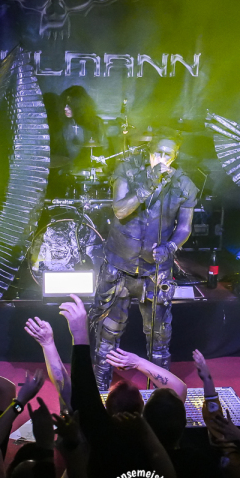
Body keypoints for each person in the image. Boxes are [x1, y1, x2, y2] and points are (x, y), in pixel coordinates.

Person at [91, 132, 197, 388]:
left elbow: (185, 227)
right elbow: (120, 210)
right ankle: (100, 388)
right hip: (119, 266)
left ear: (175, 157)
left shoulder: (184, 185)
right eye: (158, 152)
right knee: (108, 333)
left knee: (159, 337)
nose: (162, 158)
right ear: (150, 152)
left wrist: (170, 246)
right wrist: (149, 183)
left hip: (155, 271)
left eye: (168, 155)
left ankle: (161, 393)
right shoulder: (127, 171)